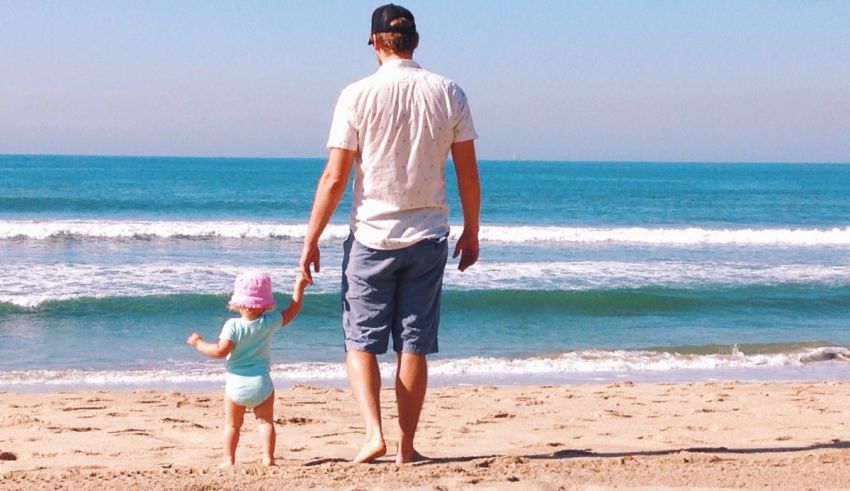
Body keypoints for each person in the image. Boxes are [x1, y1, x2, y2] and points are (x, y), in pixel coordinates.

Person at [299, 3, 481, 465]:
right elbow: (467, 175)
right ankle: (406, 447)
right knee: (414, 341)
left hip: (370, 236)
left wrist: (311, 238)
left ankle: (373, 434)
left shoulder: (356, 95)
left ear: (377, 43)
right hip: (428, 234)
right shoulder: (449, 92)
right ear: (413, 42)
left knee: (360, 339)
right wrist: (472, 230)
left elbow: (335, 178)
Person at [187, 271, 309, 467]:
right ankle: (268, 458)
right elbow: (292, 310)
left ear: (236, 303)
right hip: (262, 384)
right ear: (266, 303)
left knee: (232, 425)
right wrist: (299, 286)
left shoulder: (232, 326)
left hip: (237, 385)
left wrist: (199, 343)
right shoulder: (268, 323)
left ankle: (228, 459)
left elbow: (219, 351)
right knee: (265, 423)